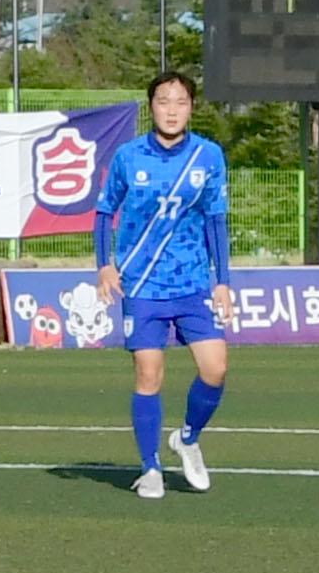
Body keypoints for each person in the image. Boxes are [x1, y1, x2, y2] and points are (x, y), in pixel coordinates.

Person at [92, 69, 235, 499]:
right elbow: (103, 213)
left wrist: (222, 281)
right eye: (163, 101)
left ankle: (187, 438)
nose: (171, 110)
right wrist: (105, 265)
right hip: (142, 286)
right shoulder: (129, 157)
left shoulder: (208, 156)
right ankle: (150, 467)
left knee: (216, 368)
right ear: (150, 106)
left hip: (192, 282)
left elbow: (215, 220)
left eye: (180, 102)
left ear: (191, 108)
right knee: (148, 373)